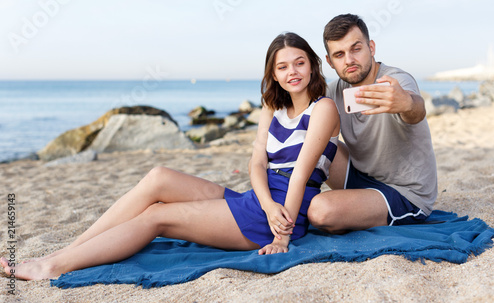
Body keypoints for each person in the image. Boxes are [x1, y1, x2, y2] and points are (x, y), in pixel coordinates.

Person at [1, 32, 340, 280]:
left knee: (156, 217)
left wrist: (281, 235)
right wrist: (264, 202)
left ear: (312, 65)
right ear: (274, 73)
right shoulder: (272, 105)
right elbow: (256, 163)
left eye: (299, 62)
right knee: (159, 177)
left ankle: (52, 267)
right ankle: (65, 251)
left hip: (282, 216)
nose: (292, 71)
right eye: (283, 66)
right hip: (261, 201)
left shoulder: (322, 108)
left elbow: (299, 174)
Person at [307, 14, 438, 234]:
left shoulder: (395, 81)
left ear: (371, 48)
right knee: (309, 140)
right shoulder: (333, 91)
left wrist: (406, 102)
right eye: (339, 54)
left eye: (356, 49)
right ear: (330, 62)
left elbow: (416, 111)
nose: (349, 60)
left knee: (320, 211)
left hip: (405, 193)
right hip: (360, 178)